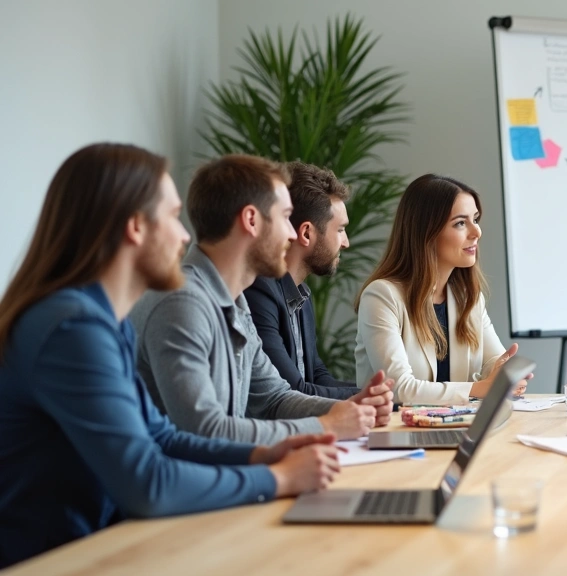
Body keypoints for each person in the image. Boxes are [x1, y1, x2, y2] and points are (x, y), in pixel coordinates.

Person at [0, 144, 341, 569]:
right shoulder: (72, 327)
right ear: (135, 227)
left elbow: (162, 437)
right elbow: (147, 482)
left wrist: (264, 453)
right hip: (44, 574)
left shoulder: (107, 321)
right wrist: (279, 478)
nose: (185, 236)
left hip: (93, 552)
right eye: (173, 217)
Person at [130, 155, 393, 445]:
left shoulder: (236, 301)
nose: (293, 233)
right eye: (284, 217)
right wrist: (326, 426)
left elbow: (274, 398)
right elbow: (205, 431)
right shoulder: (182, 303)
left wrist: (352, 407)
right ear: (251, 220)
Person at [355, 174, 528, 405]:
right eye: (460, 223)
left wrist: (505, 373)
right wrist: (480, 388)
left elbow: (491, 362)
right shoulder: (382, 296)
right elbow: (399, 389)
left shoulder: (469, 298)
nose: (476, 232)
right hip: (396, 431)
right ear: (427, 232)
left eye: (475, 219)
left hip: (454, 426)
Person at [244, 161, 359, 399]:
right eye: (340, 230)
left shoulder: (301, 295)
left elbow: (316, 376)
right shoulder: (258, 292)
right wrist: (371, 398)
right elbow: (294, 390)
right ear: (306, 233)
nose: (346, 242)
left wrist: (376, 395)